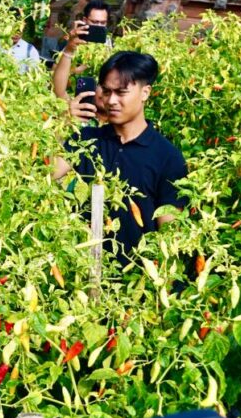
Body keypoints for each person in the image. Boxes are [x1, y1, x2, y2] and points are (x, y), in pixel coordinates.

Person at [55, 51, 187, 264]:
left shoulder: (167, 157)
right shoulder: (87, 139)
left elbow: (169, 234)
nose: (111, 100)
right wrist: (63, 124)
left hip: (133, 281)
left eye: (121, 92)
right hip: (81, 271)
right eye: (106, 92)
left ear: (145, 93)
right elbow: (47, 173)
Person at [52, 0, 110, 101]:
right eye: (95, 22)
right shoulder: (72, 40)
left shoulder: (108, 43)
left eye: (103, 23)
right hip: (71, 98)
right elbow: (55, 73)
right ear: (85, 20)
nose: (99, 26)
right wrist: (76, 69)